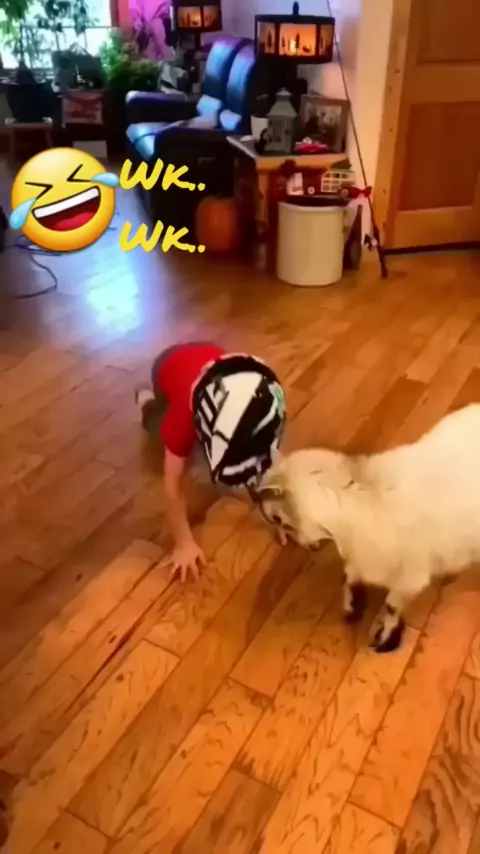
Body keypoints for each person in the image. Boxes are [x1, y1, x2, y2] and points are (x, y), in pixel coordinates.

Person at [136, 342, 286, 582]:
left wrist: (278, 512)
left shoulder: (262, 404)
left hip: (206, 355)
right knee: (159, 428)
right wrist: (184, 543)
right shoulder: (183, 418)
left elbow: (265, 462)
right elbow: (173, 488)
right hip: (166, 366)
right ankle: (145, 400)